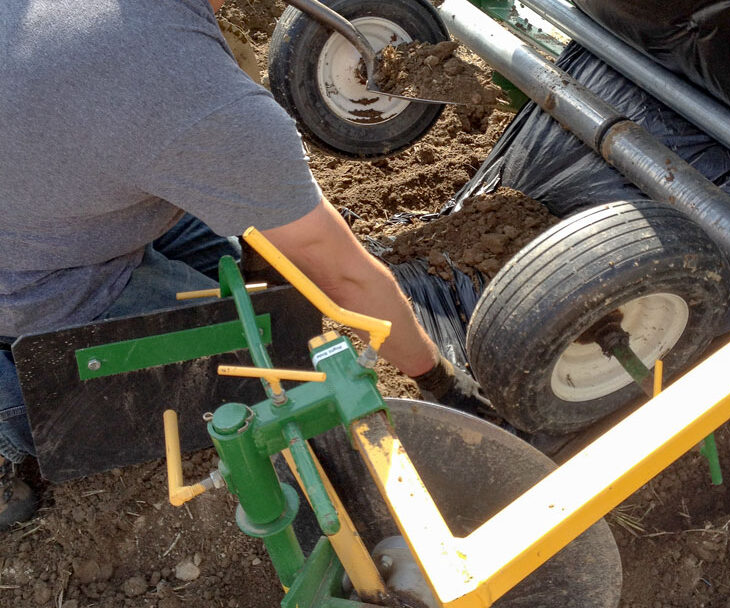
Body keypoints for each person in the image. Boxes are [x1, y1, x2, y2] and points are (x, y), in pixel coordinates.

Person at [0, 0, 490, 529]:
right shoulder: (198, 100)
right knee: (237, 378)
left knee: (240, 277)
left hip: (43, 195)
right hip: (33, 277)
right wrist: (439, 379)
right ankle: (10, 410)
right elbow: (345, 274)